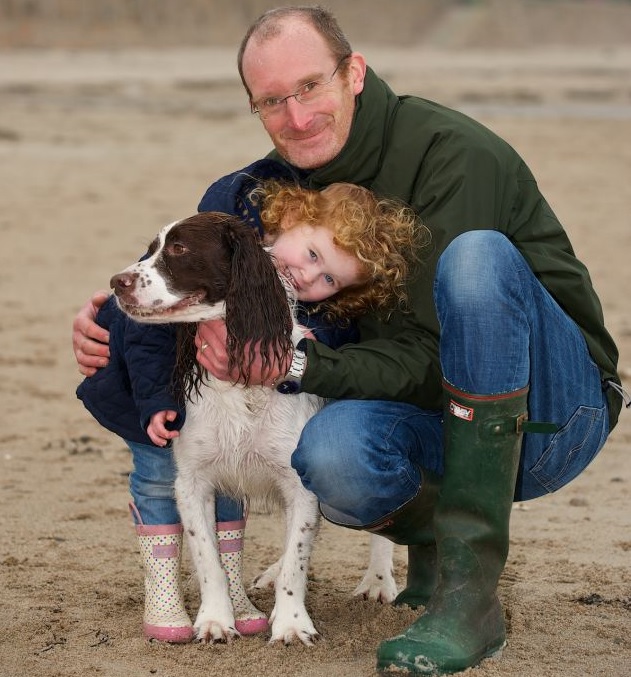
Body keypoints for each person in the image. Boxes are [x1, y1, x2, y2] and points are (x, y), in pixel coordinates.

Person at [72, 5, 627, 674]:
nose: (296, 116)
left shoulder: (453, 155)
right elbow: (180, 280)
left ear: (354, 72)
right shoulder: (253, 193)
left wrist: (298, 361)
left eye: (310, 87)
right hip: (431, 416)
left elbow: (431, 351)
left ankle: (468, 594)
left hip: (548, 416)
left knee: (475, 260)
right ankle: (428, 535)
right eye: (272, 101)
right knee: (329, 455)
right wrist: (111, 322)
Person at [75, 160, 425, 644]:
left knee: (293, 480)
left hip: (286, 396)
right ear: (285, 223)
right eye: (307, 252)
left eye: (327, 278)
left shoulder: (319, 315)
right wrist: (131, 367)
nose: (306, 274)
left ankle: (320, 582)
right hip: (152, 397)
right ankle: (209, 596)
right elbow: (138, 331)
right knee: (168, 476)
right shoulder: (231, 238)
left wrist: (291, 594)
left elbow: (305, 486)